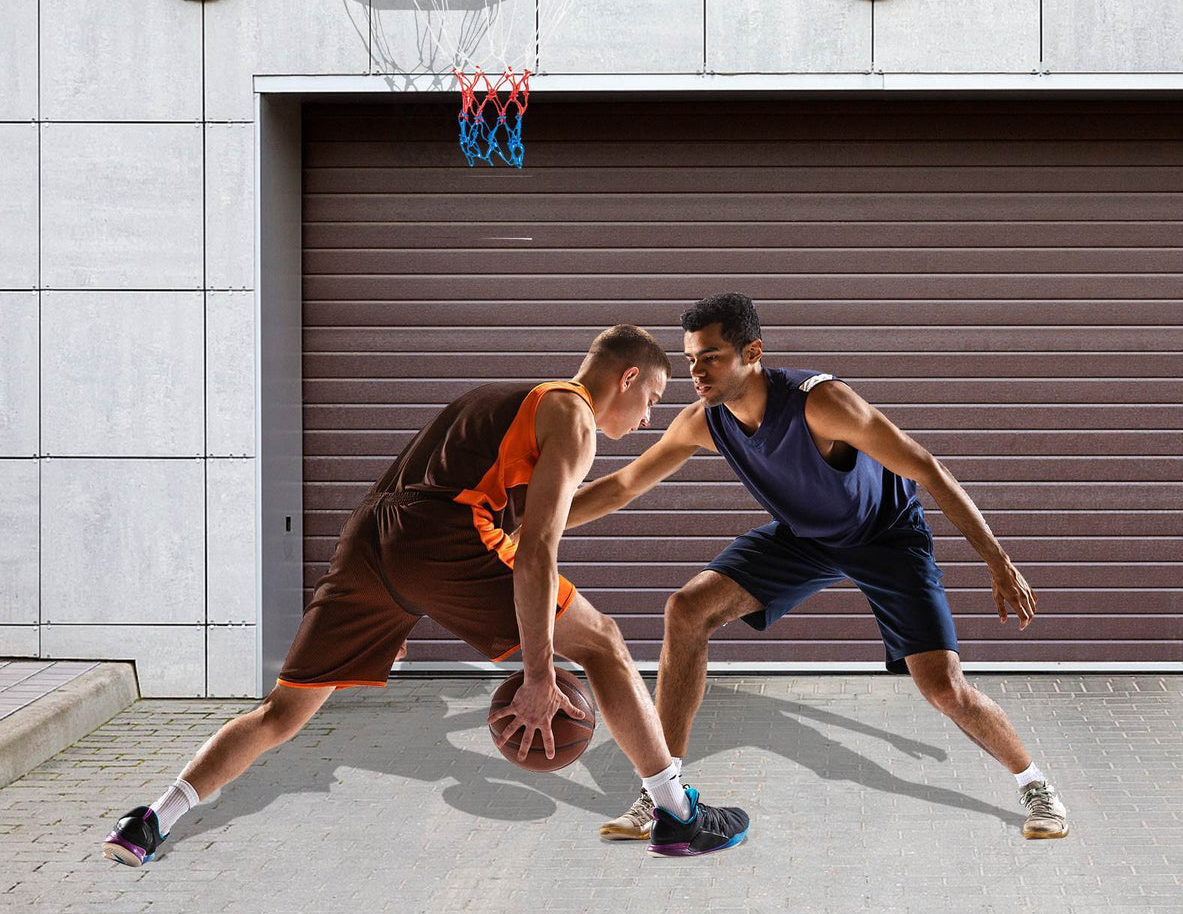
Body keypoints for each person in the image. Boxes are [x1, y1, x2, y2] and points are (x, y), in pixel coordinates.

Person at [102, 325, 749, 867]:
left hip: (372, 542)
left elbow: (545, 515)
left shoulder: (516, 406)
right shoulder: (572, 415)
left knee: (281, 715)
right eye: (653, 402)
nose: (647, 421)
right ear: (627, 377)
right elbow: (537, 550)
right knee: (604, 641)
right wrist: (538, 671)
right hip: (442, 538)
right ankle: (676, 814)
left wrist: (654, 466)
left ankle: (152, 820)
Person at [564, 295, 1068, 843]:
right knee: (687, 609)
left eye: (710, 358)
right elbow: (622, 485)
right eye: (690, 360)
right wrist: (532, 525)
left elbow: (928, 467)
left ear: (752, 352)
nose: (697, 372)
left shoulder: (823, 403)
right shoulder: (705, 422)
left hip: (887, 539)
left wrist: (999, 562)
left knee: (945, 689)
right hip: (806, 540)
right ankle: (661, 791)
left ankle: (1036, 786)